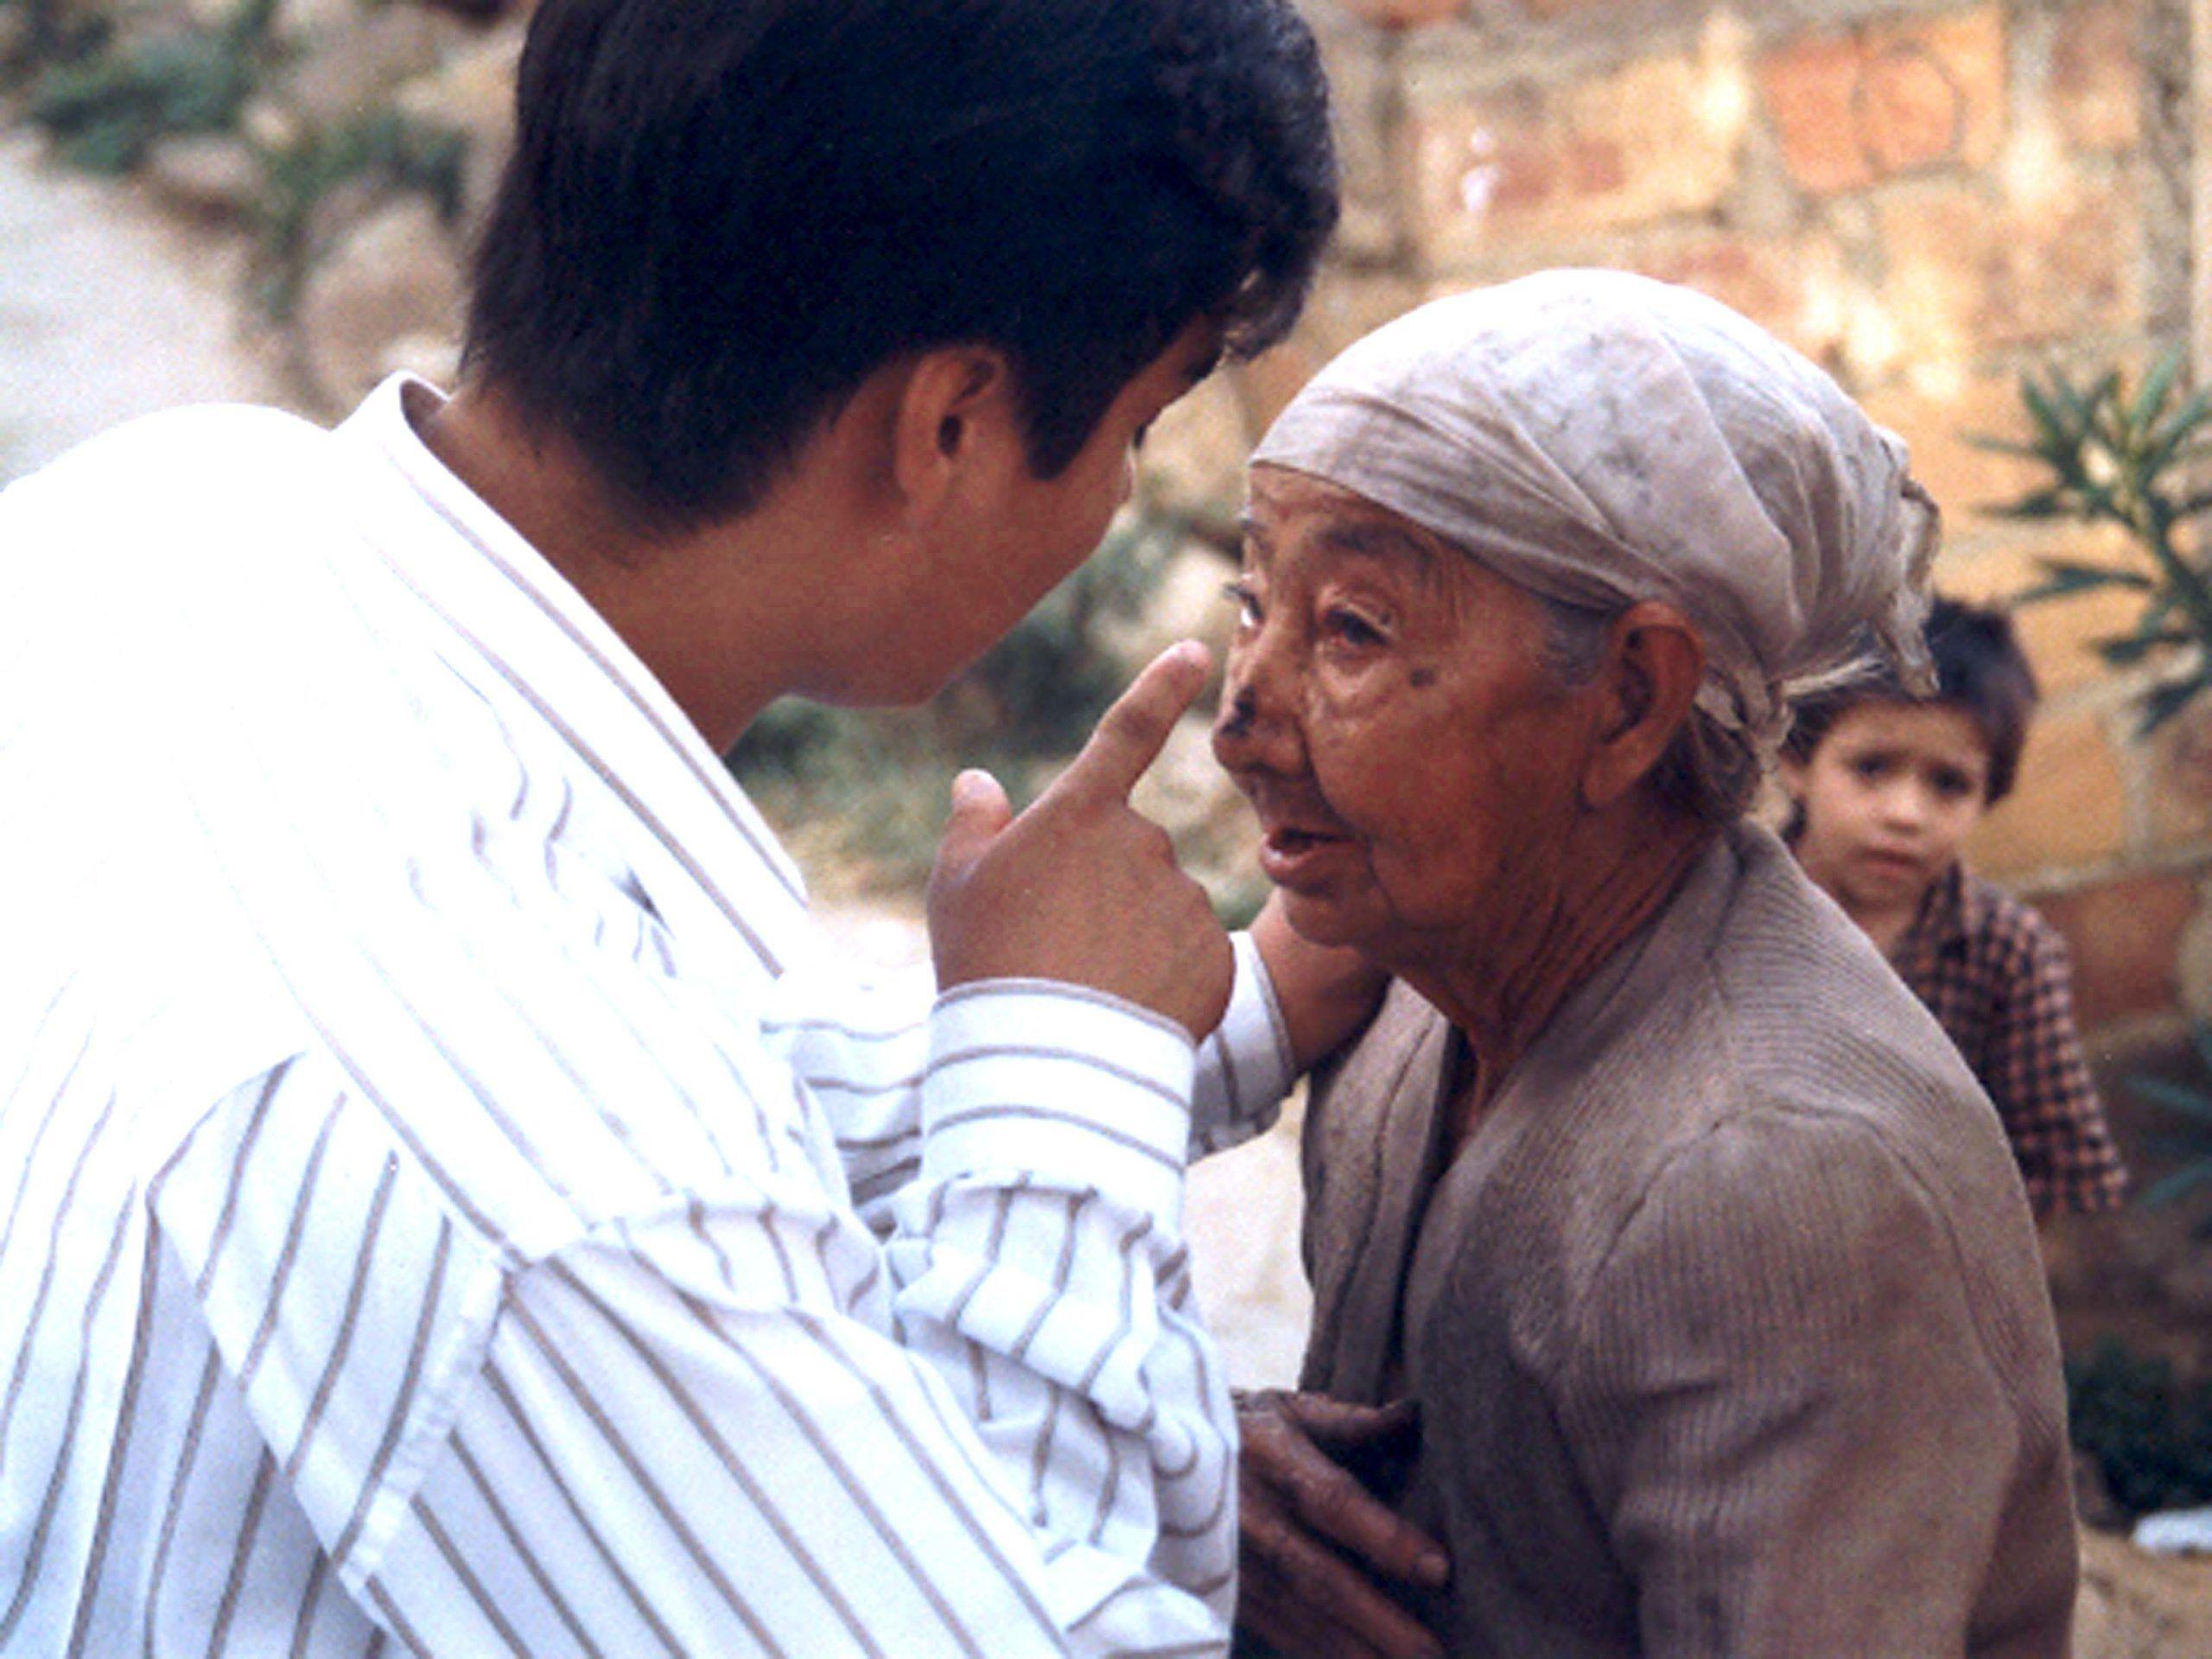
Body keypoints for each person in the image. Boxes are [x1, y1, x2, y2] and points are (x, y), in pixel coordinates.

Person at [0, 1, 1347, 1650]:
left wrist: (1193, 1013)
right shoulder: (553, 1195)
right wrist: (1070, 1070)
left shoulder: (166, 510)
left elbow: (672, 1100)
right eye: (1136, 427)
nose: (1120, 492)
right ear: (949, 429)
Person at [1211, 271, 2080, 1657]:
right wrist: (1215, 1473)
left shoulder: (1778, 1180)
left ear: (1627, 699)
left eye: (1352, 631)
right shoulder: (1412, 1008)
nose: (1240, 715)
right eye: (1255, 601)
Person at [1780, 595, 2129, 1217]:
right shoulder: (1720, 917)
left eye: (1949, 783)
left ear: (1987, 794)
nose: (1904, 815)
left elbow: (2069, 1173)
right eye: (1871, 767)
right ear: (1795, 763)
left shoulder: (2008, 953)